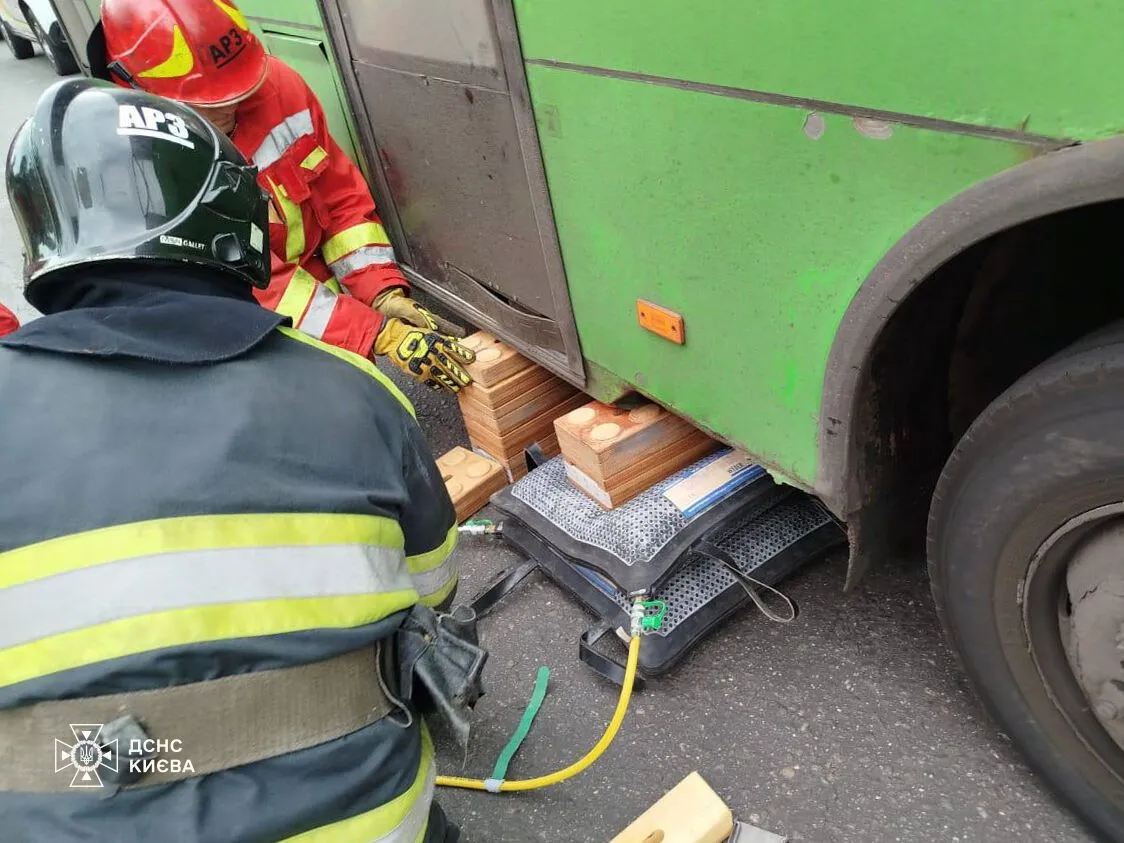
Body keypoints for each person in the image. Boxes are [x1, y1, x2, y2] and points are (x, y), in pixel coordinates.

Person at [0, 78, 462, 841]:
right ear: (233, 221)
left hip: (70, 786)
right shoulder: (358, 398)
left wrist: (381, 295)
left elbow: (347, 209)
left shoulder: (282, 93)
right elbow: (432, 594)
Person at [87, 0, 476, 395]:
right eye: (210, 104)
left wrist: (380, 291)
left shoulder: (279, 87)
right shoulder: (150, 171)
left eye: (239, 91)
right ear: (142, 94)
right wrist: (374, 332)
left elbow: (341, 200)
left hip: (307, 287)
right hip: (245, 324)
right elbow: (260, 287)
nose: (231, 107)